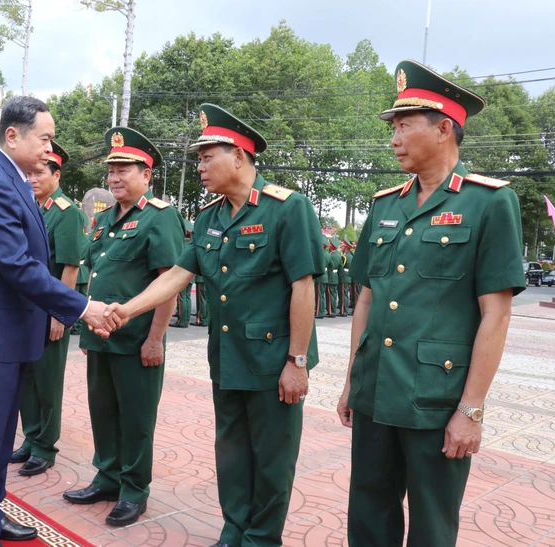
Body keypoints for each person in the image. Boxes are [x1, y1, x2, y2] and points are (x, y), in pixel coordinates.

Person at [102, 104, 324, 547]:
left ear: (239, 156)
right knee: (232, 452)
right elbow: (178, 275)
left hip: (272, 362)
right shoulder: (209, 217)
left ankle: (261, 538)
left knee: (272, 459)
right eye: (198, 158)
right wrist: (127, 309)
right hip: (227, 359)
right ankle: (234, 528)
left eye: (207, 157)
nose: (200, 166)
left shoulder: (288, 208)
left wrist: (297, 361)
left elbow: (304, 286)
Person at [336, 60, 526, 547]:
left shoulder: (488, 202)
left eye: (404, 126)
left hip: (437, 401)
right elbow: (367, 299)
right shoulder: (384, 204)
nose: (394, 138)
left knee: (432, 526)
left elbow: (496, 313)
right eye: (393, 127)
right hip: (377, 390)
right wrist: (351, 382)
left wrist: (472, 409)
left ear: (444, 129)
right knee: (369, 516)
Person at [0, 96, 115, 547]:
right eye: (44, 137)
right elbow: (18, 266)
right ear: (12, 135)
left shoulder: (14, 179)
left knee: (1, 433)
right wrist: (83, 307)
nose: (48, 147)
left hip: (8, 333)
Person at [62, 127, 185, 527]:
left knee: (135, 418)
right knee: (104, 413)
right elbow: (99, 277)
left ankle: (134, 490)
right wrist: (86, 335)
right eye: (111, 170)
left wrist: (155, 338)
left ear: (146, 174)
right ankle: (107, 477)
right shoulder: (104, 219)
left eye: (124, 169)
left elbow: (169, 284)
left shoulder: (160, 217)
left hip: (136, 341)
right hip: (101, 338)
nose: (114, 177)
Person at [10, 141, 85, 477]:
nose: (33, 177)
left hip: (50, 310)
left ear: (57, 173)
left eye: (41, 172)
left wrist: (60, 314)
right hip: (27, 309)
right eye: (31, 172)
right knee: (27, 377)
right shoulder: (30, 207)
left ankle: (45, 446)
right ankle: (30, 437)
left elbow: (69, 267)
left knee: (48, 381)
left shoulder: (67, 213)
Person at [327, 237, 342, 316]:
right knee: (334, 295)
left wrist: (328, 276)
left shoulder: (331, 256)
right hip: (336, 277)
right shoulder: (339, 255)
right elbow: (341, 267)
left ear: (332, 246)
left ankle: (331, 312)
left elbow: (330, 267)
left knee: (330, 295)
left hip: (331, 277)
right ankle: (334, 310)